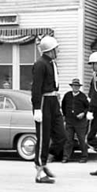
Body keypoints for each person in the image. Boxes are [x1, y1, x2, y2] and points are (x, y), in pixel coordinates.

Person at [31, 35, 66, 184]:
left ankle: (45, 162)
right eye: (56, 48)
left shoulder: (52, 63)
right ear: (50, 50)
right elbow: (36, 88)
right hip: (44, 101)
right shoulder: (40, 64)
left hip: (53, 100)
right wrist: (37, 108)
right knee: (43, 137)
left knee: (61, 135)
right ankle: (39, 171)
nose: (58, 50)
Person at [61, 78, 89, 163]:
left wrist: (83, 113)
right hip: (69, 121)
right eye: (74, 86)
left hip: (80, 122)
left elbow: (88, 107)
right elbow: (63, 106)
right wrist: (65, 116)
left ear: (79, 87)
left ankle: (84, 156)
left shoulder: (83, 96)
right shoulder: (67, 95)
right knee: (68, 139)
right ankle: (66, 157)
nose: (75, 87)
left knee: (81, 139)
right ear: (71, 86)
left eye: (77, 86)